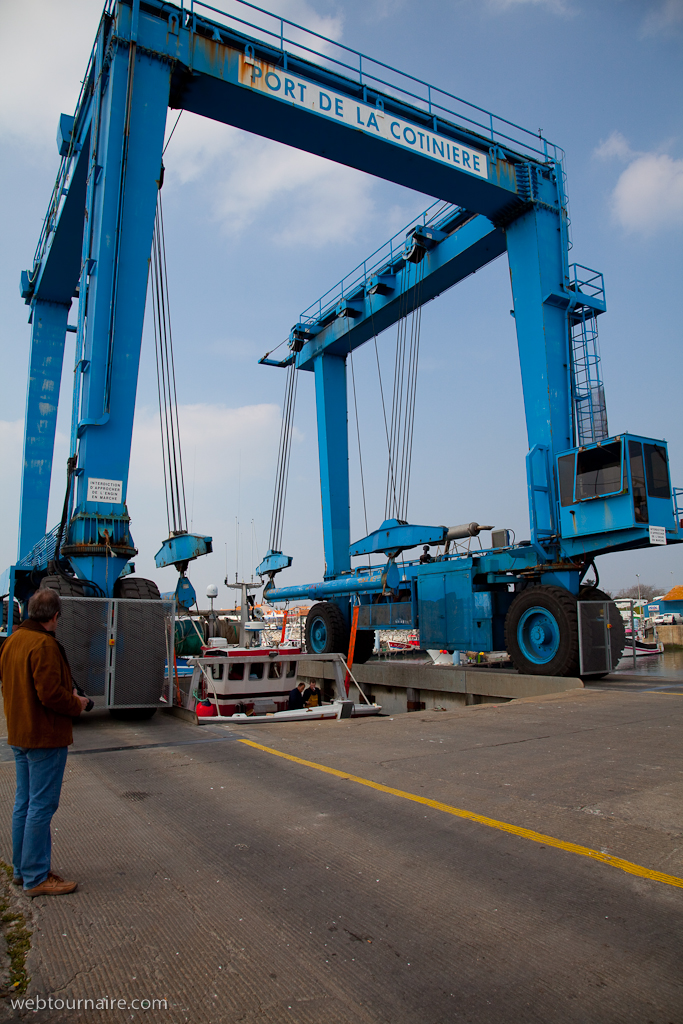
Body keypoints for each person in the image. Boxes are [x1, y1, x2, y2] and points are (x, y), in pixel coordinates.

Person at [0, 589, 88, 896]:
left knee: (23, 805)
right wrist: (77, 703)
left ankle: (22, 871)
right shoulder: (43, 644)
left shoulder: (12, 641)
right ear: (55, 616)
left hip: (20, 733)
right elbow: (50, 694)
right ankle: (37, 877)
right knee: (41, 806)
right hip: (44, 736)